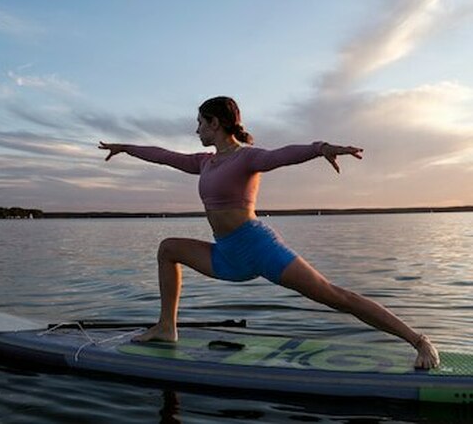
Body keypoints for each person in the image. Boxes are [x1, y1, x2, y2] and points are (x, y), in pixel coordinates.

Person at [99, 96, 440, 369]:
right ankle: (166, 327)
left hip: (258, 247)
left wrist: (319, 147)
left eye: (200, 123)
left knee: (334, 296)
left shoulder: (246, 159)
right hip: (226, 254)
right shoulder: (206, 162)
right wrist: (127, 147)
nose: (196, 130)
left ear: (215, 123)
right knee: (168, 248)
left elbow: (283, 155)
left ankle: (418, 340)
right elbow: (164, 156)